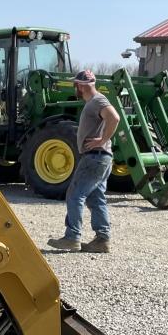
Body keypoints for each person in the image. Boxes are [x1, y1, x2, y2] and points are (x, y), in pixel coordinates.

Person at [47, 70, 121, 253]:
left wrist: (102, 140)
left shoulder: (97, 100)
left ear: (80, 86)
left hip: (95, 157)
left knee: (75, 194)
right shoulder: (94, 101)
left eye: (76, 85)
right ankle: (102, 240)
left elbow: (115, 117)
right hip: (101, 158)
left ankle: (72, 237)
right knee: (96, 199)